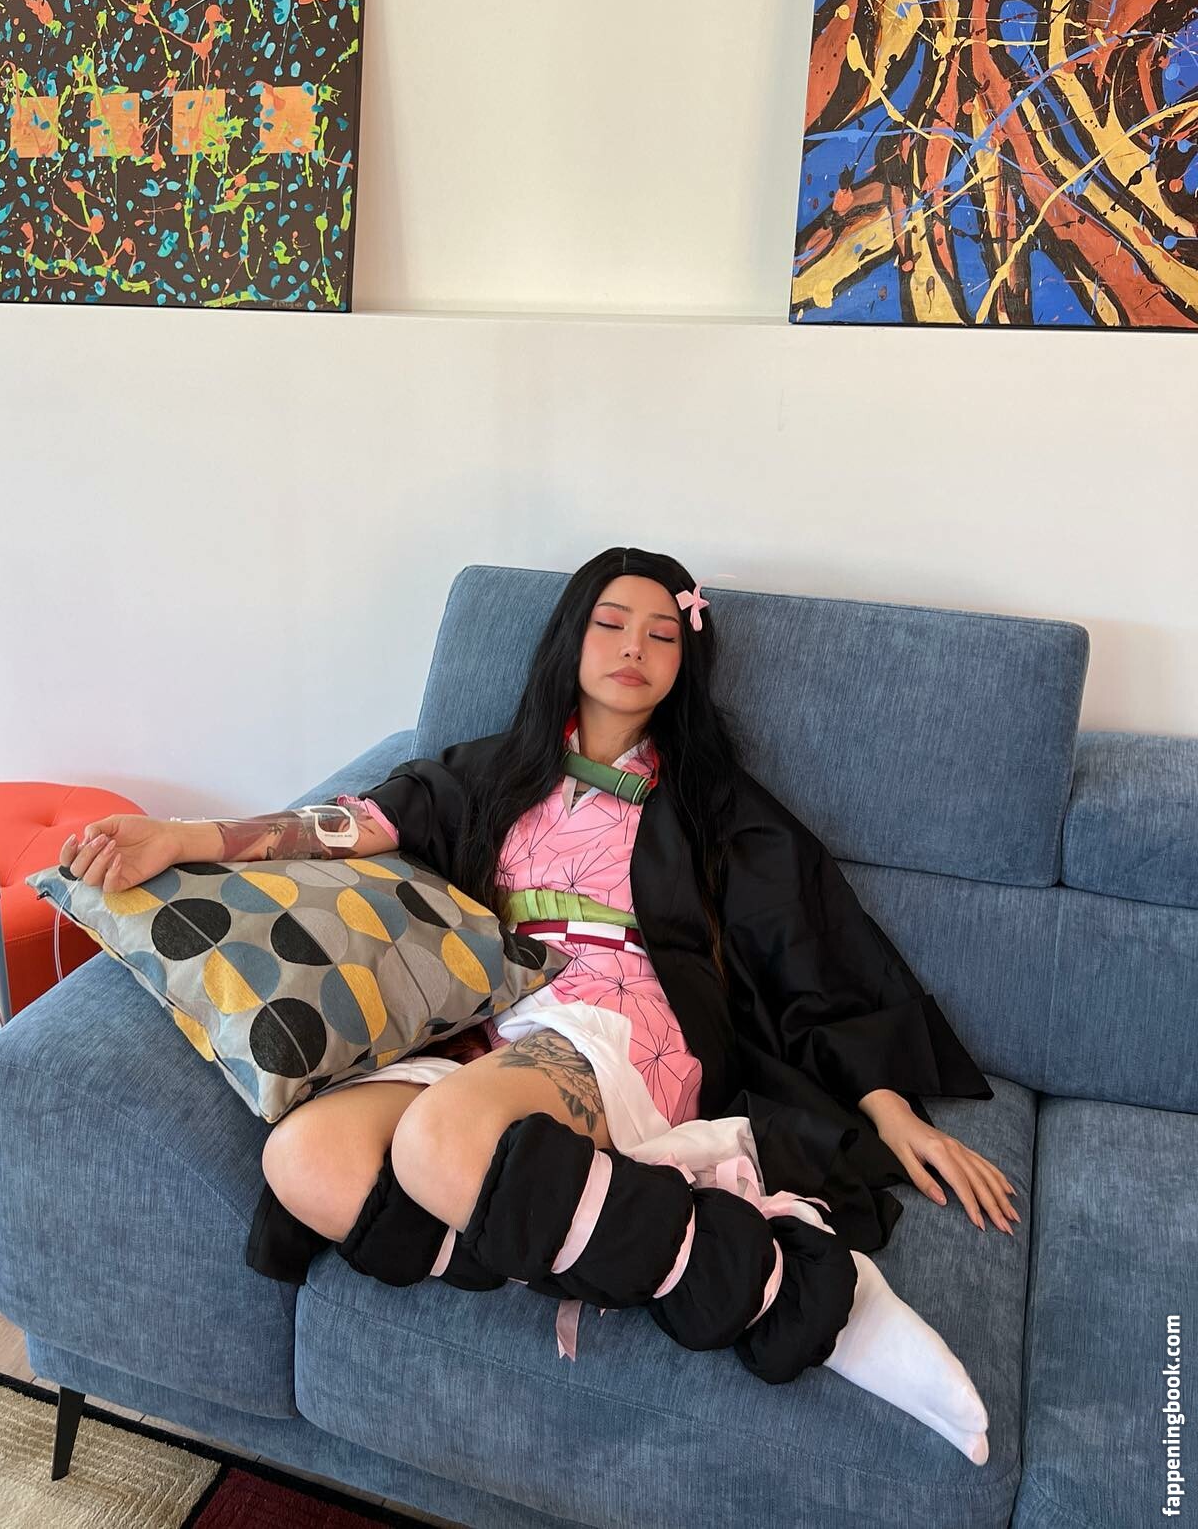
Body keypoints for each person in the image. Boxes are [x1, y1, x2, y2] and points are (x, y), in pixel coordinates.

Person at [58, 546, 1017, 1461]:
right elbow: (350, 827)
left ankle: (809, 1295)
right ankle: (648, 1233)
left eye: (662, 634)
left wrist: (889, 1110)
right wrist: (187, 837)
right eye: (611, 623)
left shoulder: (714, 802)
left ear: (686, 661)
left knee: (439, 1144)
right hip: (490, 1012)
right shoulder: (492, 771)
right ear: (569, 638)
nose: (635, 647)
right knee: (306, 1157)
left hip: (627, 1020)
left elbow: (810, 951)